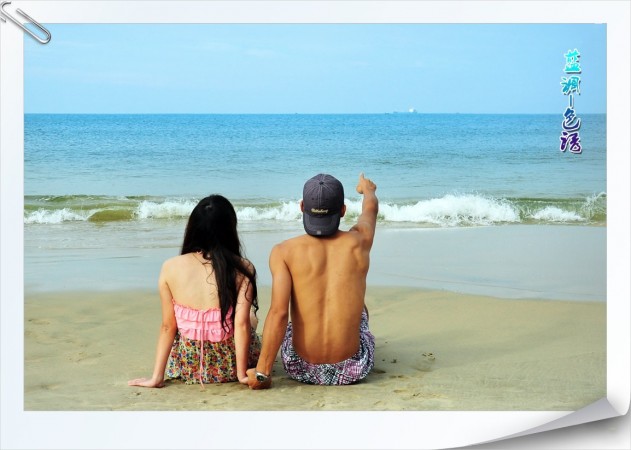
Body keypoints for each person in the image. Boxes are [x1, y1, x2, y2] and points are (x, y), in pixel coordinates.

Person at [247, 173, 378, 388]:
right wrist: (368, 190)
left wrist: (262, 373)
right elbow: (370, 211)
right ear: (343, 210)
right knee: (361, 310)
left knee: (290, 322)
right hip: (352, 369)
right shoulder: (360, 241)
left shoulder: (283, 252)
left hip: (301, 368)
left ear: (302, 207)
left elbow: (279, 313)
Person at [128, 195, 261, 387]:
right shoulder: (243, 267)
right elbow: (241, 325)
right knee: (251, 318)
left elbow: (168, 326)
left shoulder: (170, 267)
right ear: (230, 228)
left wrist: (156, 377)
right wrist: (241, 375)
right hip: (227, 366)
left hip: (188, 366)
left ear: (192, 228)